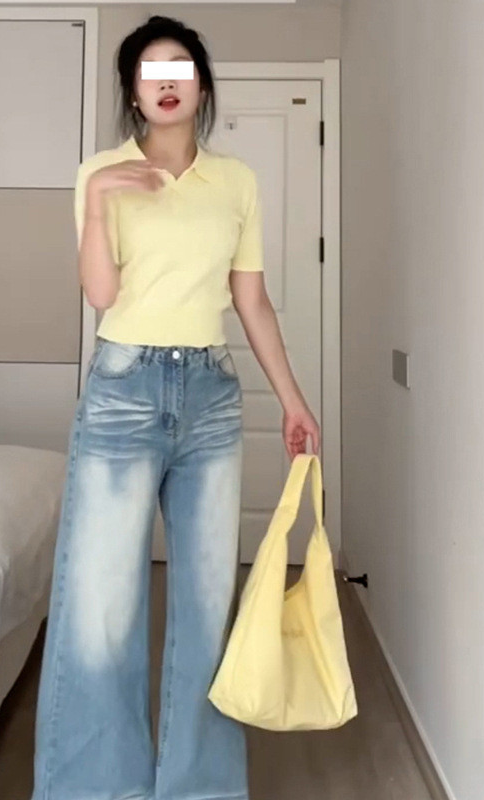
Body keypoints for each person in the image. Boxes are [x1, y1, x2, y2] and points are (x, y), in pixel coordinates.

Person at [31, 14, 320, 800]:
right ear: (132, 91)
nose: (167, 82)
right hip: (123, 392)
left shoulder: (236, 183)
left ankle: (200, 788)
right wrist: (99, 204)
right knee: (101, 609)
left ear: (201, 87)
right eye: (151, 70)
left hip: (211, 398)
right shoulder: (100, 173)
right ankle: (95, 789)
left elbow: (251, 300)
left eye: (182, 69)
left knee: (205, 607)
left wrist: (293, 401)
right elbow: (101, 294)